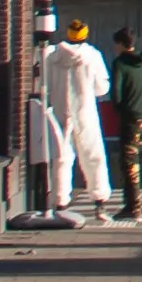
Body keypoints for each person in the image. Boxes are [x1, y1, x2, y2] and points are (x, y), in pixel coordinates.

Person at [38, 21, 111, 221]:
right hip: (85, 111)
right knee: (93, 156)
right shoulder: (92, 56)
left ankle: (61, 201)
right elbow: (101, 88)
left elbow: (46, 85)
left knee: (61, 157)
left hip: (60, 111)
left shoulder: (52, 56)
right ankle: (100, 202)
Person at [104, 28, 142, 222]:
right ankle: (130, 205)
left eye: (116, 44)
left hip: (130, 118)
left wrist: (120, 110)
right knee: (133, 158)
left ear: (121, 44)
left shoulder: (120, 64)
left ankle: (134, 207)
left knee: (129, 163)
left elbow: (116, 93)